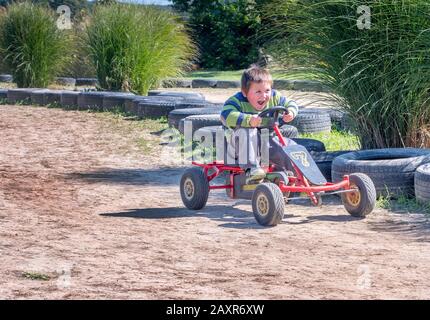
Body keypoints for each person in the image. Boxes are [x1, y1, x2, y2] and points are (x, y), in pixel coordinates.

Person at [220, 65, 299, 180]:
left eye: (267, 90)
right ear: (245, 92)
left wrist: (291, 112)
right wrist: (249, 120)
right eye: (258, 92)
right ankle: (252, 169)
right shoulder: (237, 101)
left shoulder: (274, 97)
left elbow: (291, 103)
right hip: (238, 147)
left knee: (289, 147)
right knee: (247, 131)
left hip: (265, 142)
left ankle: (299, 177)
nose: (264, 95)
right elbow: (226, 115)